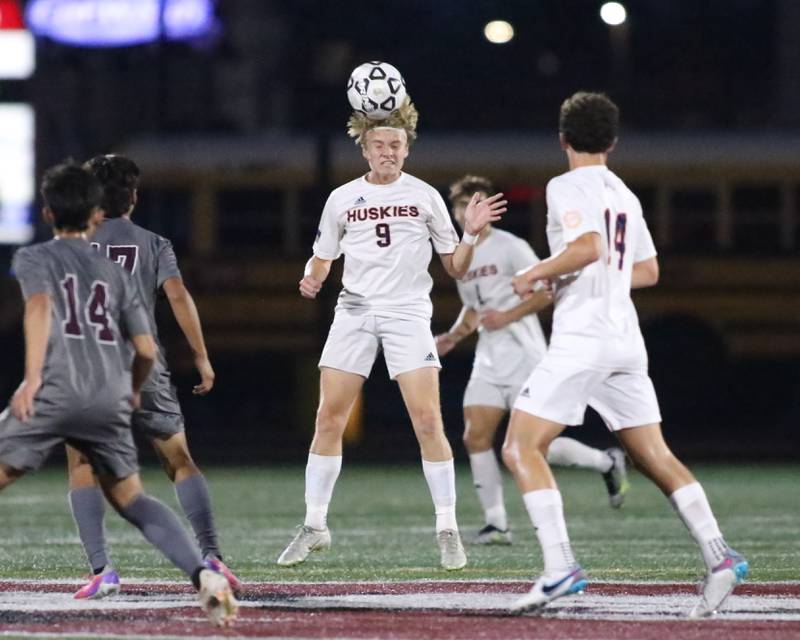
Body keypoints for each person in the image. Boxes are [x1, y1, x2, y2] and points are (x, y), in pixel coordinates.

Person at [502, 92, 748, 616]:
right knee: (654, 455)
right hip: (624, 339)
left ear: (562, 138)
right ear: (612, 141)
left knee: (520, 448)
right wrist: (578, 278)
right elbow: (647, 271)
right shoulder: (625, 193)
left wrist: (537, 273)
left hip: (584, 337)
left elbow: (588, 246)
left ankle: (559, 568)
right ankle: (721, 556)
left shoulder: (565, 184)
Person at [0, 162, 237, 626]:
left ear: (48, 214)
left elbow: (39, 310)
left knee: (73, 467)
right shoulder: (130, 261)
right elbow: (149, 343)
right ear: (97, 211)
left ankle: (101, 567)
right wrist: (135, 388)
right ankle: (206, 567)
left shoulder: (34, 258)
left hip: (61, 380)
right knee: (142, 489)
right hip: (116, 382)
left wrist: (30, 378)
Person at [276, 96, 506, 570]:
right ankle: (315, 525)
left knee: (427, 421)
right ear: (364, 148)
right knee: (328, 419)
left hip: (405, 313)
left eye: (396, 144)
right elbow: (323, 254)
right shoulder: (341, 198)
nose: (388, 152)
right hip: (355, 311)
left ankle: (447, 527)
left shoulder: (425, 196)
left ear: (407, 148)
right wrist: (313, 275)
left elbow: (457, 270)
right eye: (380, 144)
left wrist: (470, 235)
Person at [62, 154, 241, 600]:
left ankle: (103, 569)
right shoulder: (154, 243)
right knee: (178, 459)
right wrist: (201, 356)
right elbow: (179, 297)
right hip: (146, 363)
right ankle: (212, 556)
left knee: (83, 462)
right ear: (133, 198)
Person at [436, 175, 629, 545]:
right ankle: (497, 524)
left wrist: (507, 317)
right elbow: (475, 308)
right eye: (460, 206)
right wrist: (452, 337)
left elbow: (546, 292)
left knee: (533, 445)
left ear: (489, 208)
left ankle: (605, 461)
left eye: (472, 204)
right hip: (489, 359)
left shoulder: (511, 247)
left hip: (525, 355)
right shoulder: (462, 254)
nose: (465, 212)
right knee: (475, 435)